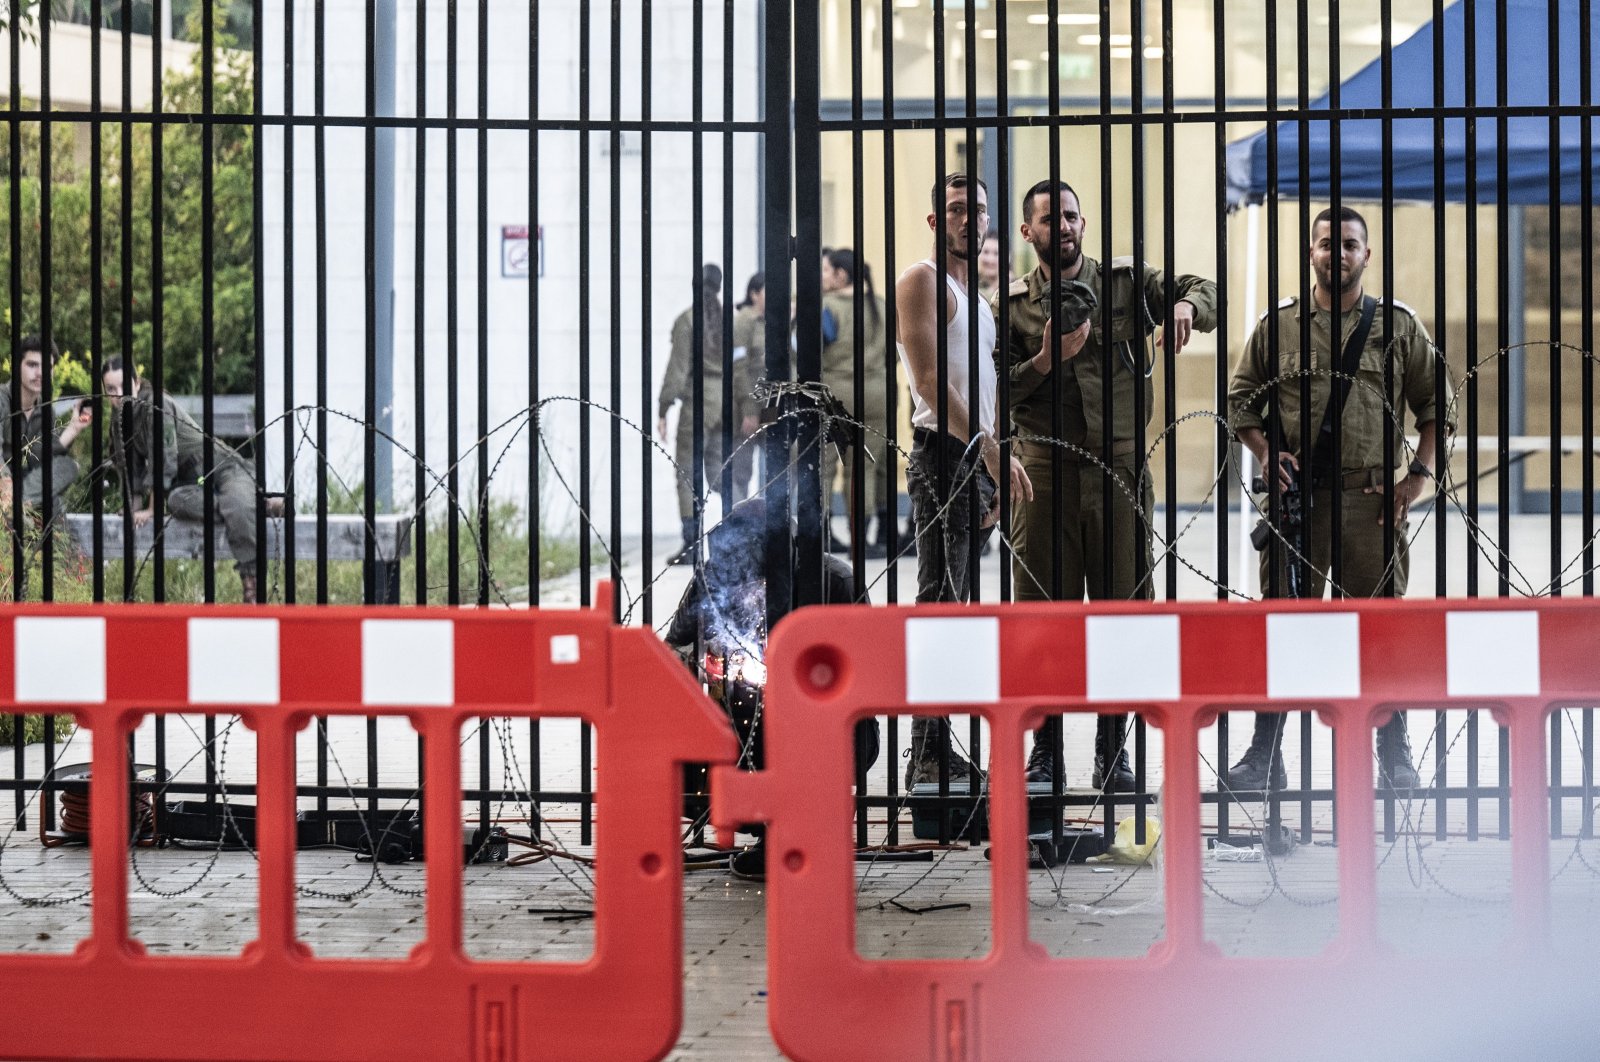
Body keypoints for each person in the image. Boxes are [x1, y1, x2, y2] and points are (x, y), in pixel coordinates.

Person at [997, 179, 1218, 791]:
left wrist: (1184, 308)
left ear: (1083, 222)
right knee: (1043, 615)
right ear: (1027, 232)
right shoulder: (1010, 305)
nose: (1061, 227)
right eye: (1048, 219)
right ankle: (1045, 753)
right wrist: (1044, 360)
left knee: (1122, 611)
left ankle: (1113, 750)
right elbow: (993, 393)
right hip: (1045, 475)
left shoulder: (1126, 283)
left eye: (1070, 216)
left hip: (1119, 472)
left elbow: (1206, 288)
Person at [1224, 205, 1451, 790]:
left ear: (1366, 255)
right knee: (1285, 623)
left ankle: (1393, 749)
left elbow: (1438, 407)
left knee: (1378, 630)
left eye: (1349, 245)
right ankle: (1263, 752)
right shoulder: (1280, 328)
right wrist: (1265, 451)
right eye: (1328, 244)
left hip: (1371, 505)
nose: (1338, 254)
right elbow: (1241, 398)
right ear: (1312, 254)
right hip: (1300, 505)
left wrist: (1418, 476)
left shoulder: (1397, 327)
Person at [896, 173, 1032, 786]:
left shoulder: (975, 295)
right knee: (940, 602)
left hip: (973, 456)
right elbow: (928, 382)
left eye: (978, 209)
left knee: (956, 603)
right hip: (943, 455)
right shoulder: (921, 282)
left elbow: (984, 387)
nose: (969, 220)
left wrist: (992, 462)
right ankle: (926, 752)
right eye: (955, 210)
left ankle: (936, 744)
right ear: (935, 221)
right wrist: (989, 452)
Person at [102, 356, 279, 601]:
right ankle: (261, 506)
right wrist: (133, 508)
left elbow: (164, 457)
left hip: (222, 467)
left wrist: (152, 509)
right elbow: (129, 467)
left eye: (123, 386)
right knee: (177, 501)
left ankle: (252, 583)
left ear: (137, 382)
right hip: (191, 483)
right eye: (111, 389)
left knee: (237, 505)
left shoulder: (157, 405)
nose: (118, 394)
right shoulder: (120, 421)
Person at [659, 264, 756, 566]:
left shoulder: (687, 321)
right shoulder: (733, 321)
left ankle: (691, 545)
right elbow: (741, 370)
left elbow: (677, 372)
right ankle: (745, 530)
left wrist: (663, 407)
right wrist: (747, 407)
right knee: (720, 468)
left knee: (687, 472)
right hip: (726, 401)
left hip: (699, 402)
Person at [819, 248, 892, 558]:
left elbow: (805, 350)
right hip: (876, 393)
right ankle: (860, 540)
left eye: (826, 270)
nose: (822, 276)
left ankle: (820, 535)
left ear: (841, 275)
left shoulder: (827, 307)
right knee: (864, 467)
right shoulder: (881, 306)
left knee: (824, 466)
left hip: (836, 394)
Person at [0, 335, 89, 520]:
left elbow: (41, 461)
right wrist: (7, 488)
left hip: (23, 487)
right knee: (52, 503)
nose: (40, 373)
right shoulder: (2, 400)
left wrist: (73, 428)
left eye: (47, 367)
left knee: (68, 466)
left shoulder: (46, 411)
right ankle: (15, 512)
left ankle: (16, 511)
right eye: (32, 365)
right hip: (3, 483)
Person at [729, 273, 767, 500]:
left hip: (768, 405)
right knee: (741, 466)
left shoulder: (769, 320)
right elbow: (739, 367)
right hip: (747, 406)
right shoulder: (744, 321)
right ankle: (739, 522)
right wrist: (749, 410)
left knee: (780, 457)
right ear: (754, 294)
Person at [976, 232, 1008, 303]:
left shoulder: (1014, 288)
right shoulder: (967, 288)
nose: (990, 260)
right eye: (986, 252)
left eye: (996, 253)